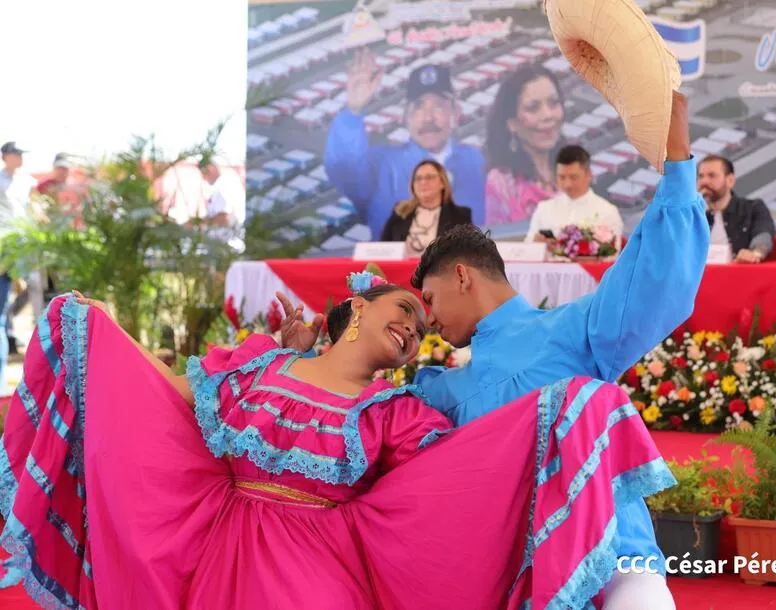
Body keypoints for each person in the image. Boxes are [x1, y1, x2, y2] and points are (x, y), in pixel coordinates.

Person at [0, 278, 674, 609]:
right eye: (403, 310)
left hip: (314, 575)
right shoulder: (259, 366)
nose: (412, 328)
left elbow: (455, 481)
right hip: (218, 558)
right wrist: (103, 329)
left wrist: (562, 415)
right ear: (355, 309)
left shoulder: (392, 414)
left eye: (420, 327)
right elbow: (168, 394)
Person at [280, 92, 708, 608]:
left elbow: (655, 282)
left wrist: (678, 163)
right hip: (517, 587)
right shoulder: (442, 391)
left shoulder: (573, 330)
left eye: (430, 300)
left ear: (462, 276)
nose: (428, 321)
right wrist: (300, 360)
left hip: (617, 565)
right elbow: (352, 417)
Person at [324, 52, 485, 237]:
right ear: (404, 117)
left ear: (456, 113)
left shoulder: (479, 162)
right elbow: (344, 169)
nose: (428, 117)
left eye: (439, 106)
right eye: (418, 107)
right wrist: (353, 112)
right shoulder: (382, 165)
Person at [484, 66, 565, 225]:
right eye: (533, 108)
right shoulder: (502, 182)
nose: (548, 115)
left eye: (554, 103)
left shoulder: (575, 167)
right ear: (512, 123)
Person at [525, 145, 623, 244]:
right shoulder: (544, 209)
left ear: (589, 174)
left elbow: (614, 251)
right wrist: (537, 243)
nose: (567, 184)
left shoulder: (607, 212)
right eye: (562, 177)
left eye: (573, 177)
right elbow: (526, 247)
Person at [0, 142, 37, 391]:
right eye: (17, 153)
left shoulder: (27, 182)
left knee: (34, 297)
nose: (20, 157)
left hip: (25, 250)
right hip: (5, 250)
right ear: (5, 156)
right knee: (1, 316)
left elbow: (33, 212)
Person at [380, 159, 472, 257]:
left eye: (429, 177)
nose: (423, 182)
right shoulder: (400, 211)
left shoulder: (460, 215)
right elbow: (383, 249)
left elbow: (467, 254)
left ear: (443, 183)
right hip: (402, 267)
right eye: (418, 178)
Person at [697, 154, 775, 263]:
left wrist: (755, 254)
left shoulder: (753, 208)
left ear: (730, 180)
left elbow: (763, 236)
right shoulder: (693, 214)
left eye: (712, 176)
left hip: (737, 271)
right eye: (701, 176)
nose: (704, 182)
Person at [198, 158, 246, 253]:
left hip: (226, 245)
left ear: (210, 168)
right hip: (226, 244)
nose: (203, 178)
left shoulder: (223, 186)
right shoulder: (226, 182)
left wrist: (200, 223)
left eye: (203, 174)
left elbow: (224, 217)